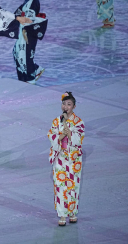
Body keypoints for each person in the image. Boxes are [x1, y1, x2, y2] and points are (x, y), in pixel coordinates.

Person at [47, 92, 85, 226]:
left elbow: (78, 140)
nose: (65, 106)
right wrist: (61, 135)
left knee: (73, 186)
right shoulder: (56, 121)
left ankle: (73, 212)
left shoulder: (79, 122)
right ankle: (62, 214)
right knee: (60, 185)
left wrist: (69, 132)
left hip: (73, 159)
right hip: (60, 157)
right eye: (64, 104)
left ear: (74, 106)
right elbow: (51, 136)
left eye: (69, 104)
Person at [13, 0, 47, 84]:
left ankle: (31, 76)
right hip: (24, 29)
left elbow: (30, 18)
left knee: (25, 54)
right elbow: (20, 11)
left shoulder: (34, 1)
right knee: (17, 52)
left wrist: (25, 31)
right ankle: (26, 76)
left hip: (27, 32)